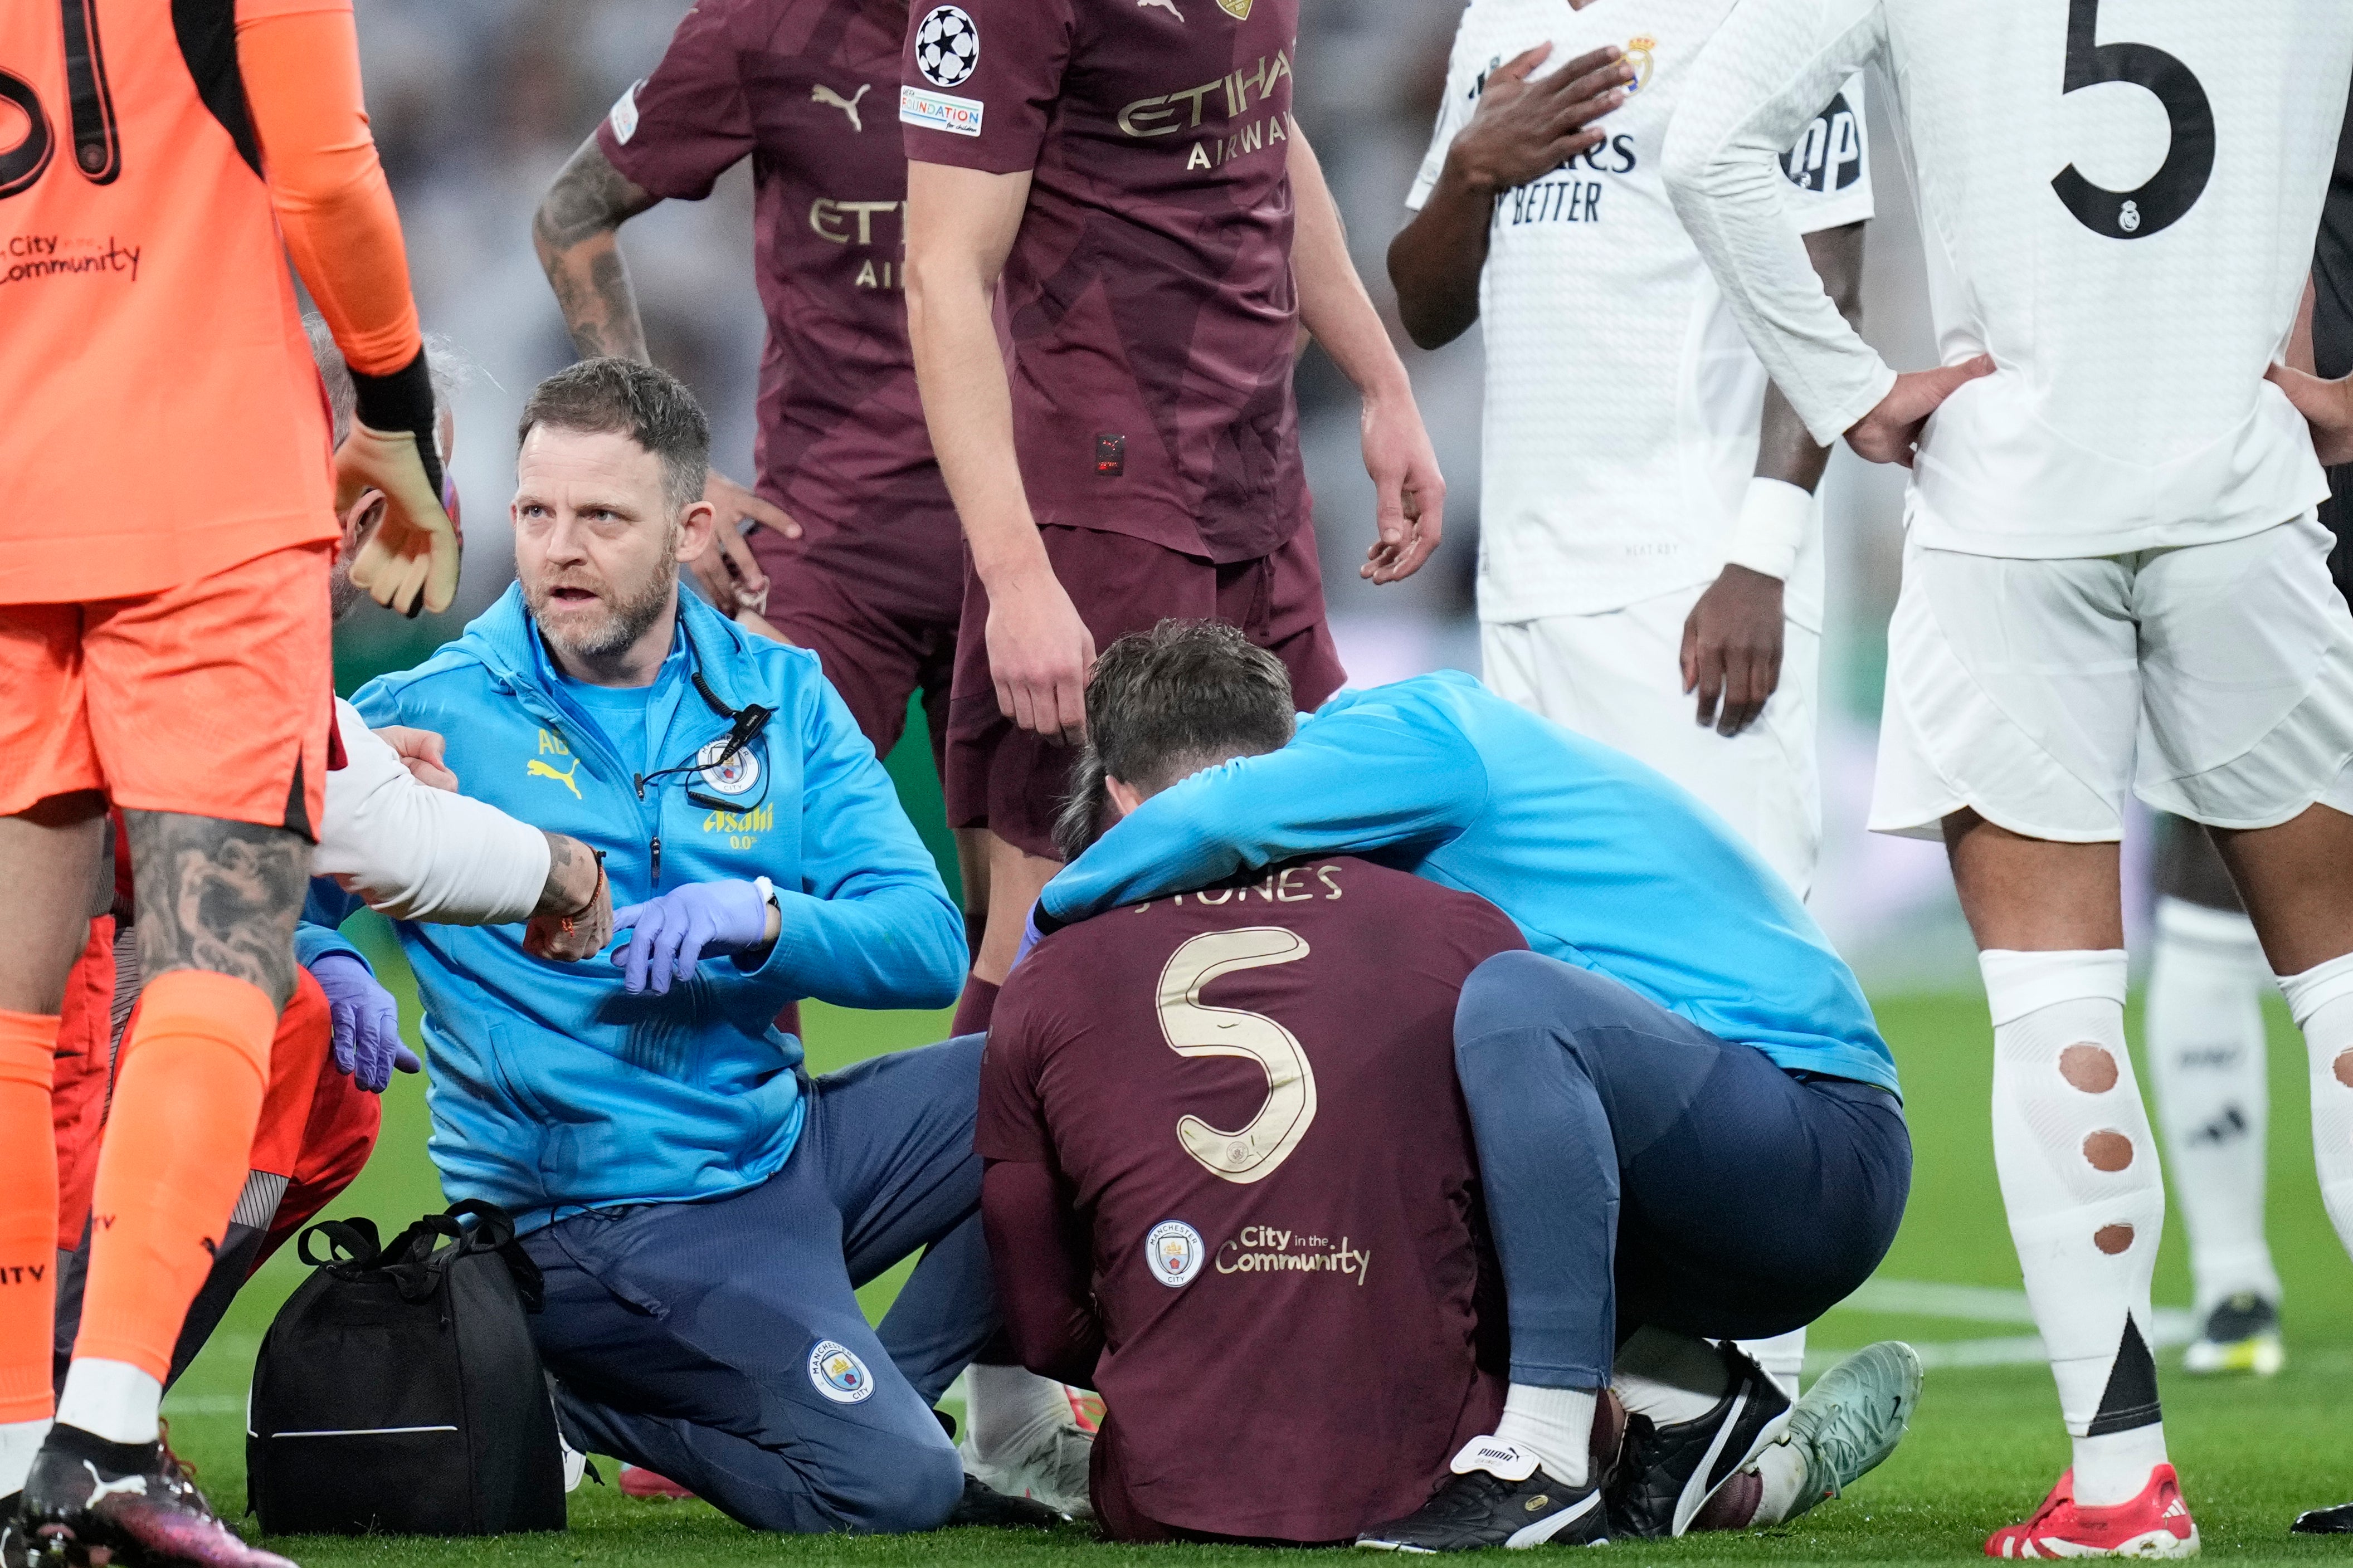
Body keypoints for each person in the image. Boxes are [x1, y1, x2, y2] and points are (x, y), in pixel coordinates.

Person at [1661, 0, 2353, 1550]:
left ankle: (2121, 1488)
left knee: (2056, 1006)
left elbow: (1704, 141)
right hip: (2242, 485)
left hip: (2009, 505)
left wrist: (1846, 387)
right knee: (2348, 988)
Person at [990, 622, 1916, 1546]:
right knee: (1391, 1110)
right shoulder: (1372, 817)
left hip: (1812, 1135)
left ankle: (1547, 1460)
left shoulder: (1419, 731)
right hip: (1712, 1141)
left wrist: (1051, 938)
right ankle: (1696, 1406)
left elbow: (1204, 817)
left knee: (1510, 1007)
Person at [341, 357, 1052, 1536]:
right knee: (898, 1492)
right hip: (594, 1221)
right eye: (535, 512)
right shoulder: (434, 709)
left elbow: (928, 941)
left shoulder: (783, 695)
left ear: (689, 530)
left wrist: (766, 920)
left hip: (786, 1149)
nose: (559, 549)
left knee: (1069, 1070)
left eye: (603, 517)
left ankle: (885, 1382)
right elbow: (275, 860)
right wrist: (334, 960)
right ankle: (585, 1399)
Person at [0, 0, 459, 1561]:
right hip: (203, 487)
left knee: (6, 1002)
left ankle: (6, 1459)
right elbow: (322, 173)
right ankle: (104, 1444)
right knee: (216, 958)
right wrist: (396, 404)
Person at [1387, 0, 1874, 1403]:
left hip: (1698, 583)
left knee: (1737, 982)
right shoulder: (1502, 20)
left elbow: (1829, 290)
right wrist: (1474, 165)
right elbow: (1424, 303)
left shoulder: (1766, 20)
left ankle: (1756, 1379)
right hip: (1530, 594)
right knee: (1553, 994)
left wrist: (1765, 551)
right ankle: (1613, 1367)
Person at [899, 0, 1448, 1035]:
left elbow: (1262, 127)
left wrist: (1381, 381)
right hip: (1101, 503)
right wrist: (1018, 576)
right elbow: (942, 275)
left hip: (1255, 476)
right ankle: (976, 1194)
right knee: (1059, 904)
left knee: (1310, 870)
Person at [530, 0, 970, 854]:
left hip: (1024, 541)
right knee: (725, 854)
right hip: (833, 537)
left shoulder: (1052, 21)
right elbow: (572, 214)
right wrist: (668, 472)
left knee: (1040, 907)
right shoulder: (761, 28)